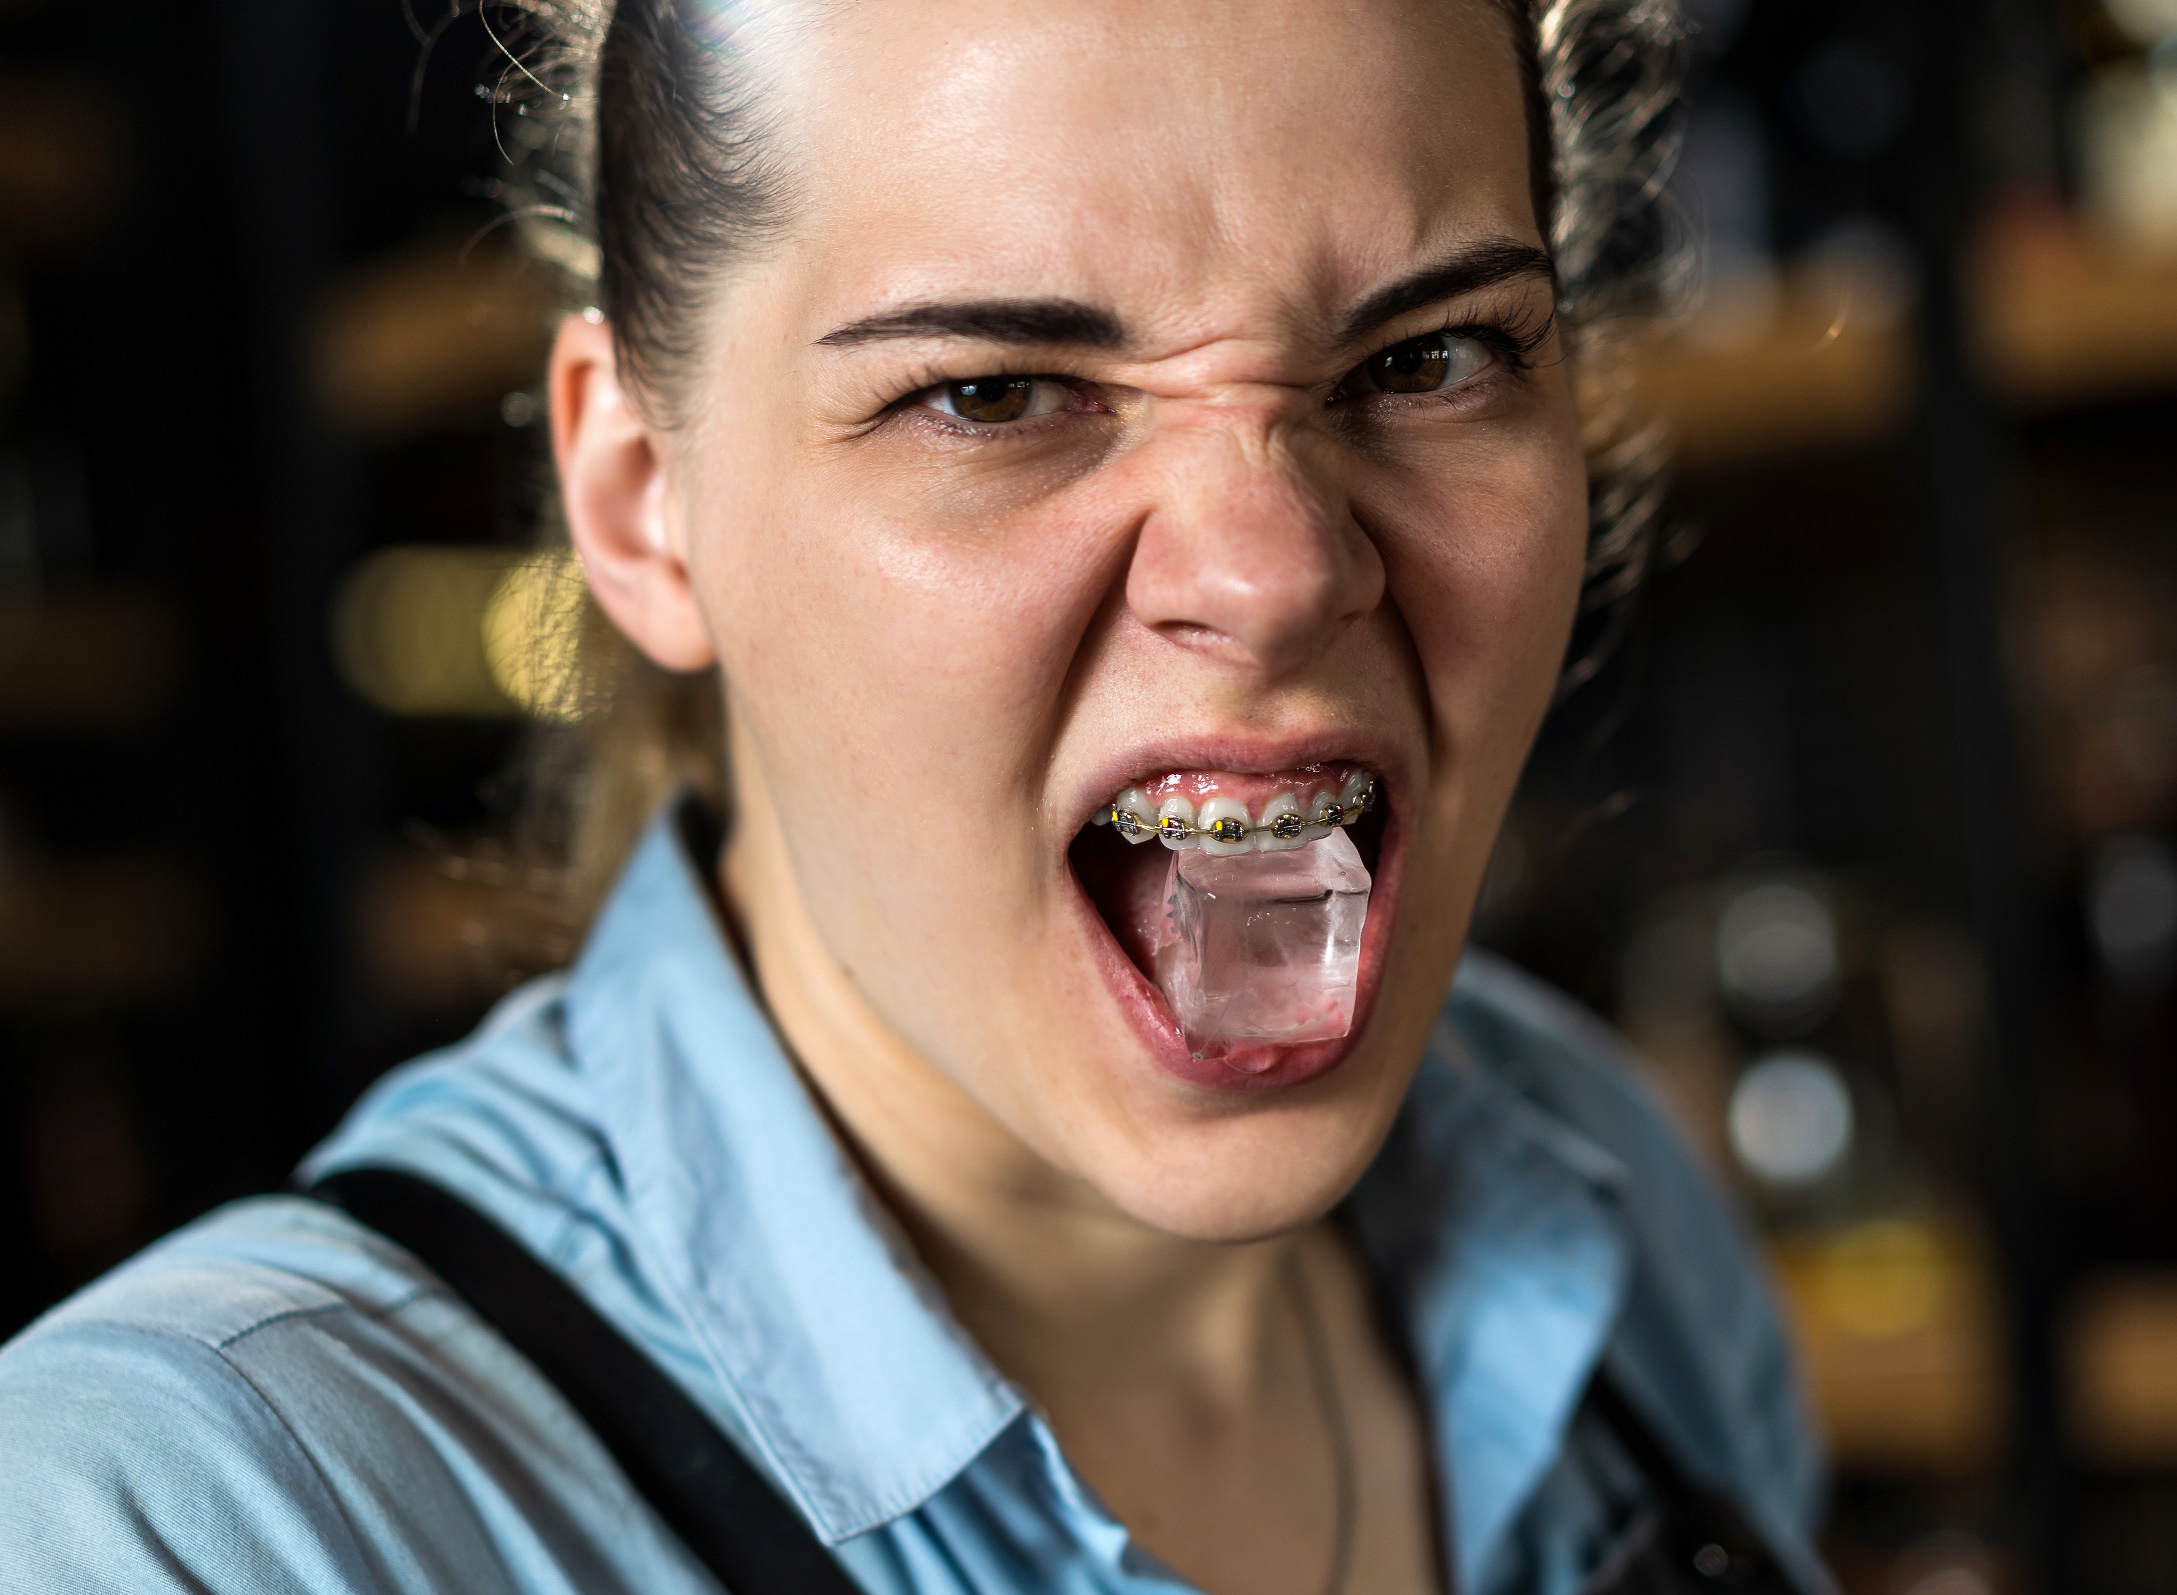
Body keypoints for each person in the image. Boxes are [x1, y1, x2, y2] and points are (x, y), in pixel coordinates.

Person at [0, 1, 1827, 1591]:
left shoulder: (1596, 1203)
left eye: (1428, 360)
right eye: (997, 390)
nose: (1272, 568)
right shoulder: (185, 1515)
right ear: (639, 499)